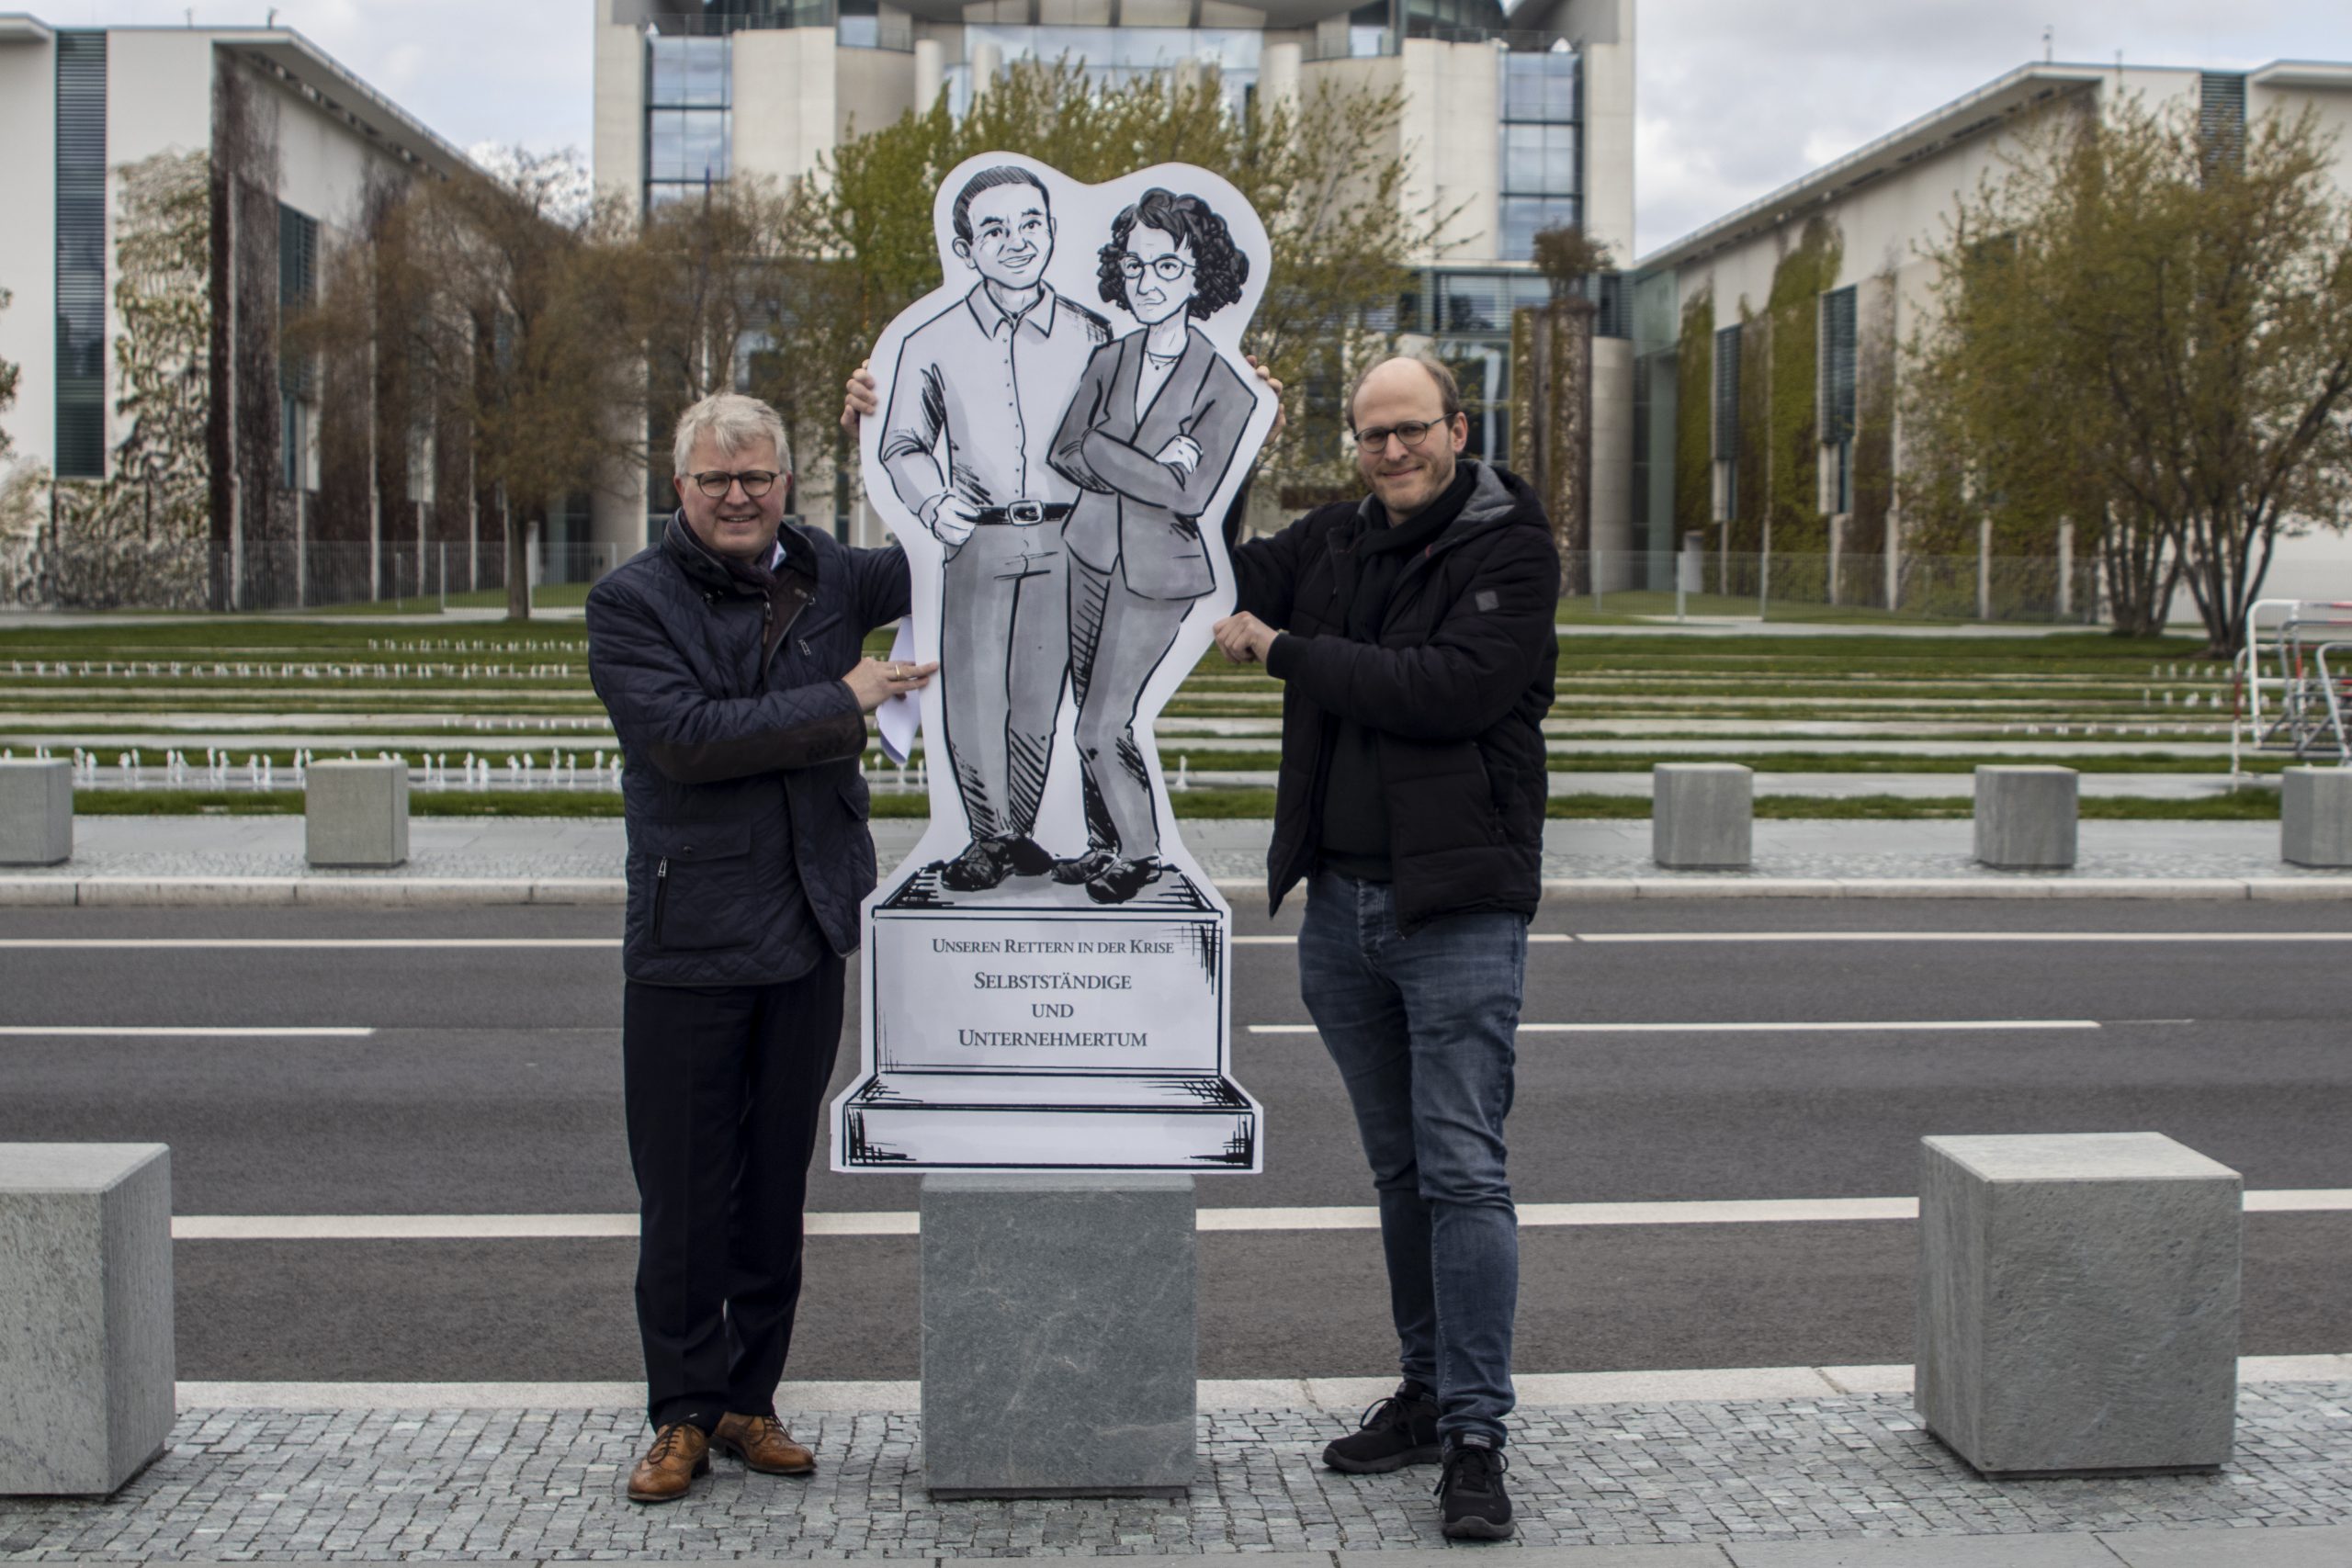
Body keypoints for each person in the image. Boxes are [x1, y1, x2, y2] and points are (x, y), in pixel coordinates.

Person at [1212, 355, 1559, 1540]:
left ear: (1459, 427)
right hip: (1343, 913)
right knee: (1402, 1171)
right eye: (1371, 434)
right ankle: (1424, 1390)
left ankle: (1476, 1430)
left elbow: (1447, 689)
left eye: (1411, 428)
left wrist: (1285, 649)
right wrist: (1234, 412)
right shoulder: (1334, 537)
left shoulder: (1512, 543)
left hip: (1456, 910)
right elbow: (1199, 554)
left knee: (1464, 1170)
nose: (1392, 451)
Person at [584, 392, 934, 1506]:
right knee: (684, 1199)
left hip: (805, 930)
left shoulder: (838, 572)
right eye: (713, 479)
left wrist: (905, 399)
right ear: (676, 487)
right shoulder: (630, 601)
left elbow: (960, 538)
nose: (737, 496)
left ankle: (749, 1400)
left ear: (789, 478)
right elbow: (685, 740)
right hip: (689, 942)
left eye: (757, 476)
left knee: (774, 1190)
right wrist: (844, 698)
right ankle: (679, 1416)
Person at [873, 164, 1110, 894]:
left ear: (1052, 231)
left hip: (1068, 539)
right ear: (965, 246)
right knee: (974, 693)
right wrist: (928, 499)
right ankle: (987, 837)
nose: (1016, 242)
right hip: (976, 536)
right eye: (995, 230)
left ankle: (1016, 830)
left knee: (1039, 696)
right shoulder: (930, 341)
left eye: (1030, 224)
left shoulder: (1092, 334)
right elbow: (900, 442)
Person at [1045, 187, 1259, 903]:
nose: (1146, 284)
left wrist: (1111, 453)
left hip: (1161, 572)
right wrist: (1150, 464)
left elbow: (1192, 497)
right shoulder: (1111, 358)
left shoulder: (1228, 388)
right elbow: (1066, 450)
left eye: (1166, 268)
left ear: (1201, 276)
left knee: (1105, 721)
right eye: (1133, 269)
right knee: (1086, 720)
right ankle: (1104, 841)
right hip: (1088, 551)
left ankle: (1139, 852)